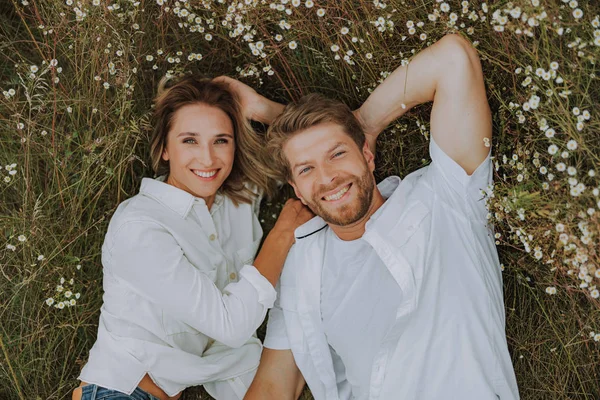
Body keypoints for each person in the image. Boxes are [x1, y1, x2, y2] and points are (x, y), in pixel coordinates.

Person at [244, 34, 520, 399]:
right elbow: (273, 386)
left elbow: (453, 57)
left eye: (337, 153)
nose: (327, 177)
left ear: (367, 156)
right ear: (297, 191)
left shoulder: (446, 196)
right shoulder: (303, 265)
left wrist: (366, 123)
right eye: (307, 169)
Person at [72, 75, 312, 400]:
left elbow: (311, 143)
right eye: (189, 141)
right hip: (124, 391)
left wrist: (262, 108)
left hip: (201, 378)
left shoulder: (237, 198)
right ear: (164, 149)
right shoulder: (141, 226)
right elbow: (230, 326)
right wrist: (282, 234)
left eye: (221, 140)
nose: (208, 159)